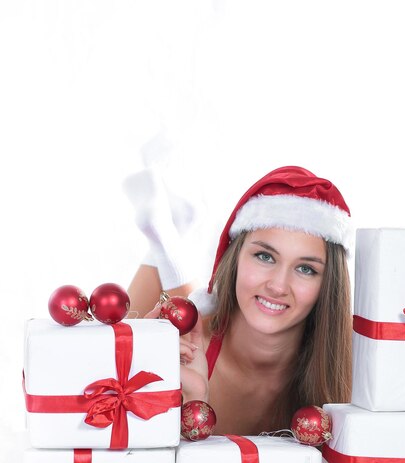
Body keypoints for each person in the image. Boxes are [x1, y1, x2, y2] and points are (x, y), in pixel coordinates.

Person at [127, 165, 353, 435]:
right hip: (199, 334)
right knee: (132, 330)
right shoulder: (189, 351)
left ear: (328, 285)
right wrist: (190, 399)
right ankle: (163, 237)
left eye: (306, 269)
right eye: (265, 256)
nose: (278, 286)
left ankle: (168, 239)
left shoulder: (348, 368)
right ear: (234, 258)